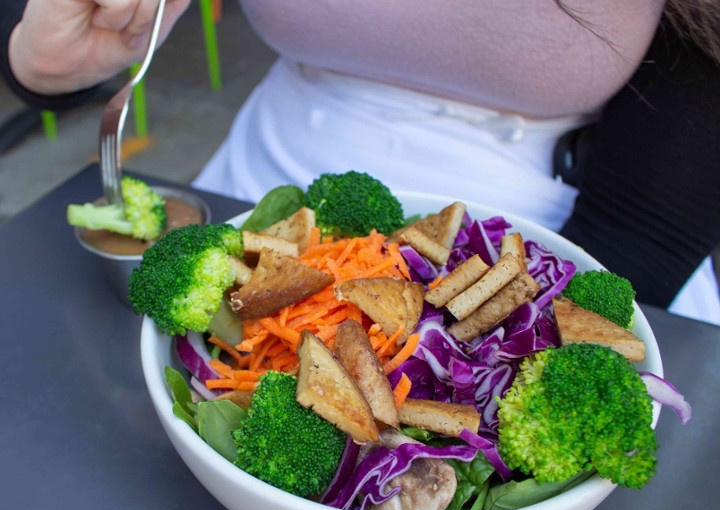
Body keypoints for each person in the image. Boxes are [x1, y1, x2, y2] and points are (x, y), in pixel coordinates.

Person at [2, 0, 719, 326]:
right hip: (254, 185)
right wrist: (44, 60)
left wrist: (575, 313)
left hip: (551, 236)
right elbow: (61, 29)